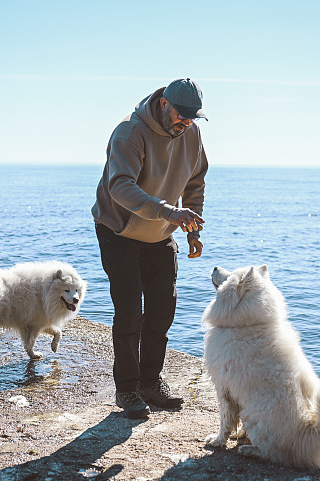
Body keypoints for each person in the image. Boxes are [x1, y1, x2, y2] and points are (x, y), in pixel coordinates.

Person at [92, 78, 208, 419]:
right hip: (120, 230)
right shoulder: (130, 133)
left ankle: (149, 382)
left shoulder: (191, 133)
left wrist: (191, 229)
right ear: (163, 104)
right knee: (129, 313)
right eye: (182, 115)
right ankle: (126, 389)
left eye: (192, 118)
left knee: (162, 310)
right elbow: (120, 187)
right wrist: (169, 212)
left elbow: (196, 180)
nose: (186, 122)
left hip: (160, 233)